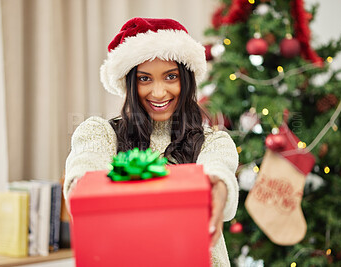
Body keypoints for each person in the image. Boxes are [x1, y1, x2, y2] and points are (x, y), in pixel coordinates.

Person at [64, 17, 239, 267]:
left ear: (187, 80)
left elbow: (219, 168)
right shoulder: (99, 133)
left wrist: (218, 188)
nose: (158, 93)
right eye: (145, 79)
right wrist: (85, 192)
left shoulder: (213, 141)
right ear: (129, 83)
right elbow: (83, 171)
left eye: (171, 77)